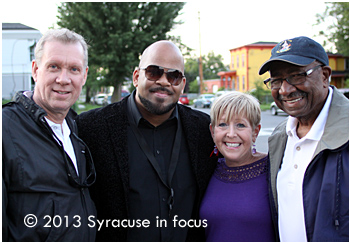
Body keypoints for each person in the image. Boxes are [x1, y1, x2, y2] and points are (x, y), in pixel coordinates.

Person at [76, 40, 217, 241]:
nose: (163, 81)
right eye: (153, 72)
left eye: (173, 76)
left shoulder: (205, 130)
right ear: (136, 76)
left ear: (182, 84)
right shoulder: (91, 128)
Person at [259, 36, 349, 242]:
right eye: (276, 80)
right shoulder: (280, 136)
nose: (285, 90)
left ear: (325, 76)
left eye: (297, 76)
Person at [2, 28, 97, 241]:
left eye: (74, 69)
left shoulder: (75, 128)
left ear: (84, 76)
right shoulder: (5, 129)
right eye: (54, 67)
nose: (63, 79)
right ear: (35, 70)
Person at [199, 91, 276, 242]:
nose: (231, 133)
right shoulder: (206, 171)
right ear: (212, 131)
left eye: (240, 125)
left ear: (255, 132)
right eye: (223, 124)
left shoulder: (274, 171)